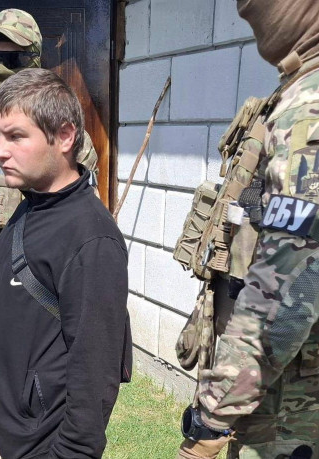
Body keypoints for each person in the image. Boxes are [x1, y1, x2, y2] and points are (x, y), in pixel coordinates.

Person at [0, 9, 98, 458]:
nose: (0, 68)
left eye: (12, 59)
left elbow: (78, 213)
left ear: (34, 58)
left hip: (38, 289)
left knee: (35, 388)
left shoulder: (60, 129)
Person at [177, 1, 319, 458]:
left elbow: (289, 289)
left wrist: (211, 417)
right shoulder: (292, 93)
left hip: (292, 406)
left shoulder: (310, 108)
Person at [0, 68, 132, 459]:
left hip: (43, 447)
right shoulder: (33, 203)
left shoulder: (91, 239)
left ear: (64, 136)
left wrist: (71, 452)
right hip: (13, 438)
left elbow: (95, 369)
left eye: (15, 136)